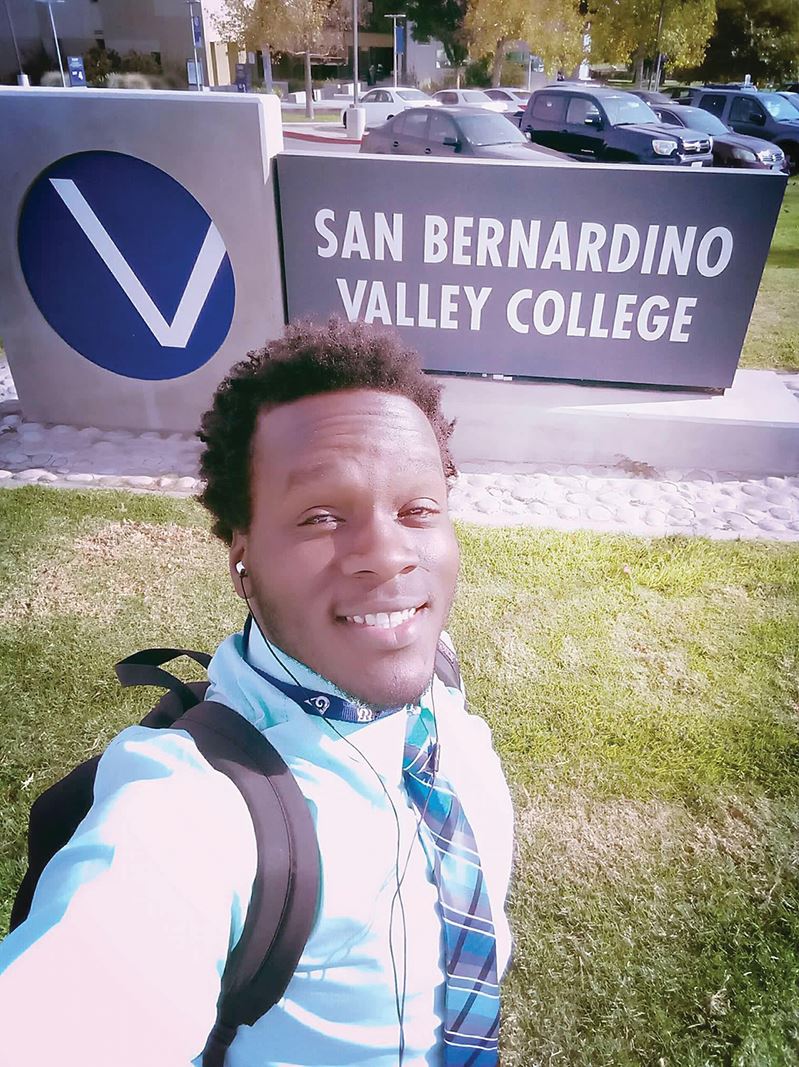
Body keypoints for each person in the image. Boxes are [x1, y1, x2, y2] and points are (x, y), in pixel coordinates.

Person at [0, 318, 514, 1066]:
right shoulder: (193, 810)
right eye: (321, 516)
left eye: (417, 509)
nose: (388, 554)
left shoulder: (432, 673)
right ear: (242, 557)